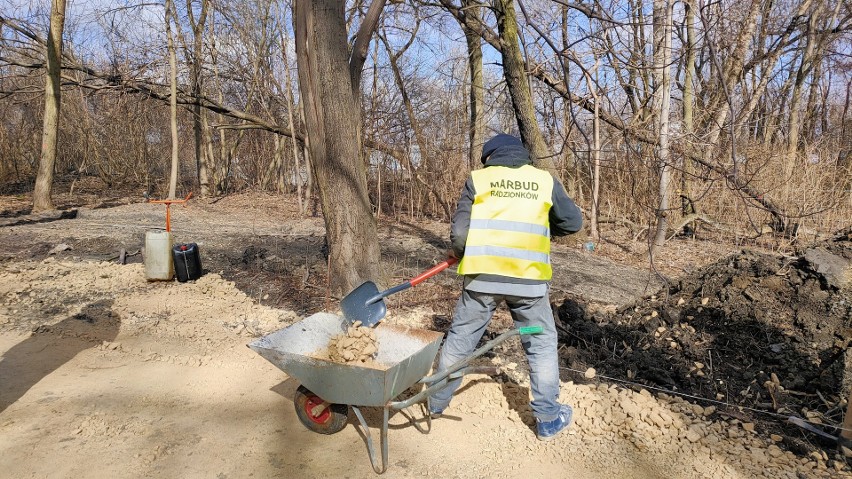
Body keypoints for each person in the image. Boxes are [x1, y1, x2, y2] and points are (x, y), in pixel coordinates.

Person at [429, 133, 583, 441]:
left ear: (489, 158)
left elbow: (460, 234)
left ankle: (435, 404)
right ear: (523, 156)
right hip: (529, 283)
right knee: (539, 345)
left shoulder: (479, 180)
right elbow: (573, 223)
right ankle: (548, 419)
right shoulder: (544, 181)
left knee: (460, 340)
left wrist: (458, 253)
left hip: (482, 280)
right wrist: (543, 226)